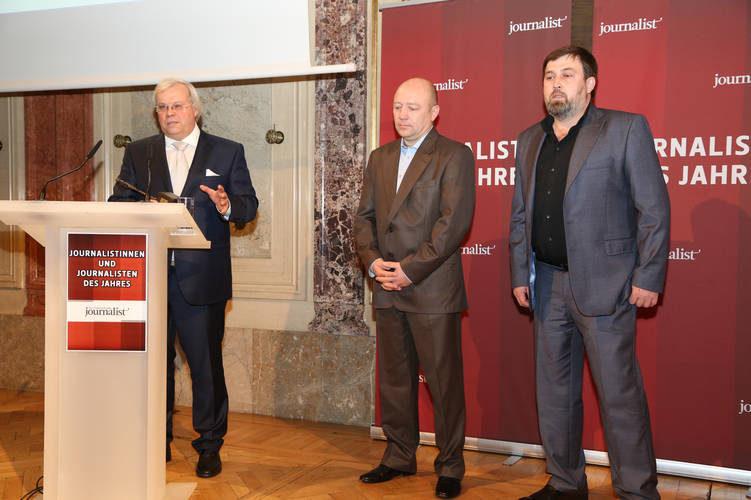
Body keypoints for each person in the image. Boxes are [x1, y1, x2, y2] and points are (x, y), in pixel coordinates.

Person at [509, 46, 670, 500]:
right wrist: (520, 273)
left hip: (609, 285)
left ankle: (637, 491)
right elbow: (520, 214)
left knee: (620, 396)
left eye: (567, 74)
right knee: (554, 394)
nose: (555, 83)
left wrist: (648, 276)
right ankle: (565, 483)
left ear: (590, 84)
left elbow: (654, 209)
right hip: (546, 284)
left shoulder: (624, 128)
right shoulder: (529, 139)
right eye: (549, 76)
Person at [109, 78, 258, 478]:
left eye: (176, 105)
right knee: (152, 367)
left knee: (205, 367)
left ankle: (209, 445)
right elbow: (118, 203)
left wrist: (226, 205)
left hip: (201, 280)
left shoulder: (226, 151)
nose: (169, 113)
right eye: (162, 107)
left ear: (195, 109)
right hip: (149, 280)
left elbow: (247, 205)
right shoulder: (140, 153)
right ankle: (155, 442)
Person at [354, 77, 475, 499]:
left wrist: (409, 270)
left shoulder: (454, 155)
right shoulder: (380, 157)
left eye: (413, 107)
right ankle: (399, 456)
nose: (402, 115)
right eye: (397, 106)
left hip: (431, 288)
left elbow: (453, 224)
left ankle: (450, 466)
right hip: (387, 286)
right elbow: (364, 218)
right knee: (395, 381)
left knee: (443, 384)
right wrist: (374, 264)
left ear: (434, 112)